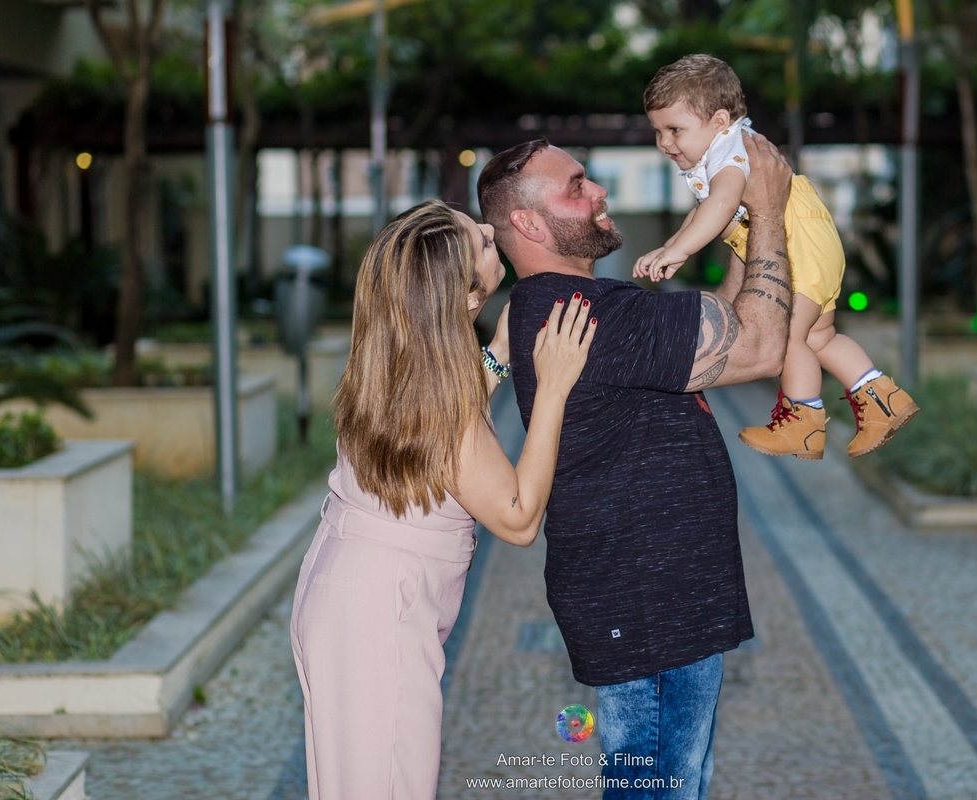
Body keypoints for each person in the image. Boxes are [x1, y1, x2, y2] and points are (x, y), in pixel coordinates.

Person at [476, 132, 792, 800]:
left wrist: (735, 225)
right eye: (577, 185)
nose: (599, 192)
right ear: (529, 223)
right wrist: (766, 211)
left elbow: (732, 325)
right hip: (651, 609)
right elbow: (761, 347)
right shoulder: (587, 316)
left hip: (662, 605)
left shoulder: (590, 308)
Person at [289, 199, 596, 800]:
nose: (491, 230)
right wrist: (555, 383)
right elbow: (517, 515)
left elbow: (436, 430)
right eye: (481, 242)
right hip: (379, 614)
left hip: (347, 594)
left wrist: (498, 355)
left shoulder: (397, 357)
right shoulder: (436, 392)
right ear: (460, 297)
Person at [635, 54, 918, 460]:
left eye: (674, 129)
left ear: (718, 121)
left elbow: (720, 204)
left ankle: (803, 423)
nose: (665, 142)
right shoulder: (725, 151)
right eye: (657, 131)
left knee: (786, 337)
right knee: (819, 337)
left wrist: (679, 248)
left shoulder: (730, 154)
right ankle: (882, 400)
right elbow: (704, 209)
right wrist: (673, 246)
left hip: (797, 250)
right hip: (812, 247)